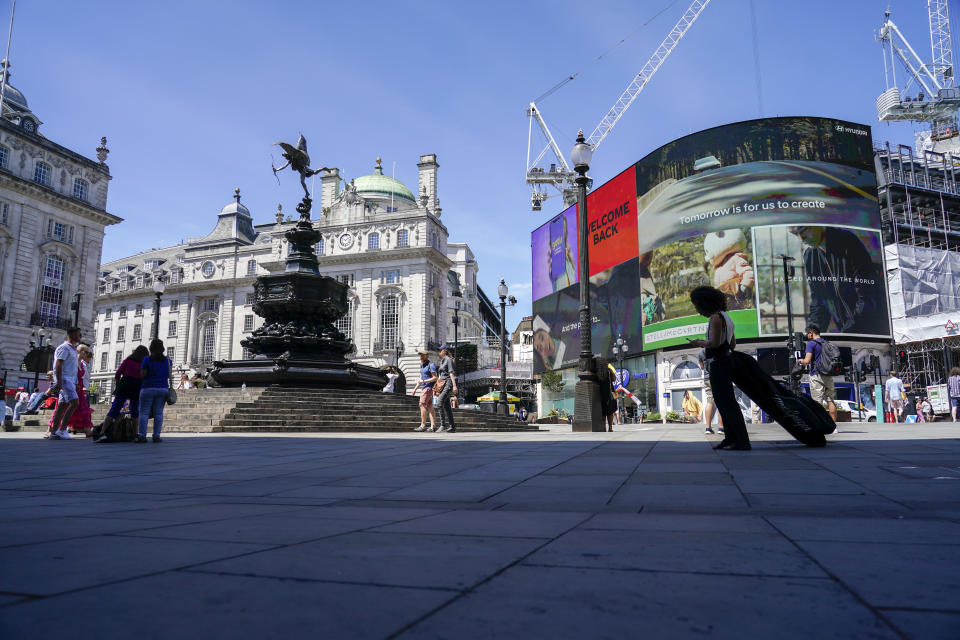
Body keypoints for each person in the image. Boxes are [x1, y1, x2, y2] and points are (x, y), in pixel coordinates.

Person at [688, 286, 751, 451]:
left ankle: (739, 440)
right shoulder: (726, 318)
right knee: (726, 403)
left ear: (705, 304)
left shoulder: (715, 318)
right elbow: (733, 343)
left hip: (718, 363)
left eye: (697, 306)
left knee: (726, 404)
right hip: (726, 361)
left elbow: (714, 343)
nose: (697, 310)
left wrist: (698, 343)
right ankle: (731, 439)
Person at [788, 226, 884, 334]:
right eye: (796, 234)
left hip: (871, 328)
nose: (802, 238)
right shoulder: (810, 256)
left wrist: (848, 332)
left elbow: (866, 296)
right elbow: (819, 301)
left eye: (804, 230)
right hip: (846, 330)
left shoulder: (848, 241)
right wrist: (812, 335)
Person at [97, 345, 148, 442]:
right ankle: (135, 434)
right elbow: (145, 377)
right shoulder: (143, 364)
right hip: (137, 386)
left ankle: (102, 433)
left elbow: (118, 373)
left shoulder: (127, 361)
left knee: (114, 409)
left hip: (124, 385)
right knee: (134, 411)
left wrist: (118, 383)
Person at [47, 327, 82, 440]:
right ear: (71, 335)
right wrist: (59, 382)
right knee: (75, 403)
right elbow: (58, 365)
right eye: (78, 334)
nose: (80, 336)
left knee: (62, 406)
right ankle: (62, 430)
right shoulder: (64, 348)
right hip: (65, 380)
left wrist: (76, 382)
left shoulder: (73, 349)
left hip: (70, 380)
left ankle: (53, 432)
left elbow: (73, 368)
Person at [797, 324, 837, 421]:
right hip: (829, 374)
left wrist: (800, 360)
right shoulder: (827, 343)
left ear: (811, 333)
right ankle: (834, 426)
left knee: (818, 401)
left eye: (808, 333)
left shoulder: (811, 344)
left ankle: (822, 424)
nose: (807, 335)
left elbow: (807, 361)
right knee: (830, 400)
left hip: (817, 374)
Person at [138, 338, 171, 443]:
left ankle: (142, 436)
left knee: (144, 412)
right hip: (162, 388)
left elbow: (142, 374)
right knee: (158, 413)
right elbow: (169, 375)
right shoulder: (168, 360)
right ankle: (156, 435)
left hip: (148, 387)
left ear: (151, 348)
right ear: (162, 348)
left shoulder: (147, 359)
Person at [64, 345, 95, 436]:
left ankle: (87, 429)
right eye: (86, 352)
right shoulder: (73, 361)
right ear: (80, 352)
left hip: (80, 388)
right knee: (72, 408)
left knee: (83, 409)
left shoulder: (81, 363)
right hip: (74, 387)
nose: (87, 354)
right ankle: (60, 428)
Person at [412, 349, 438, 433]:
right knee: (430, 406)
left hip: (428, 388)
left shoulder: (431, 365)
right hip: (424, 387)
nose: (421, 356)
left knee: (422, 404)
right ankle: (433, 426)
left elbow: (435, 378)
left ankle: (423, 426)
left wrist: (423, 382)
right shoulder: (422, 366)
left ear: (427, 356)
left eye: (422, 355)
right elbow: (421, 379)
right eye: (420, 355)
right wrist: (415, 389)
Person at [434, 345, 459, 433]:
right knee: (447, 406)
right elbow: (440, 376)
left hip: (448, 383)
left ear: (444, 351)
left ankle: (443, 425)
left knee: (439, 402)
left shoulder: (448, 360)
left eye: (440, 350)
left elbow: (451, 373)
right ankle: (452, 426)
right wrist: (437, 388)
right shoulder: (442, 361)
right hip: (442, 384)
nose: (439, 352)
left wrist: (454, 386)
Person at [698, 353, 724, 435]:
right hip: (718, 377)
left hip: (707, 378)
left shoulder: (701, 352)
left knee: (709, 401)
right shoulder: (717, 348)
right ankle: (721, 428)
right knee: (720, 402)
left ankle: (708, 428)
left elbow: (702, 367)